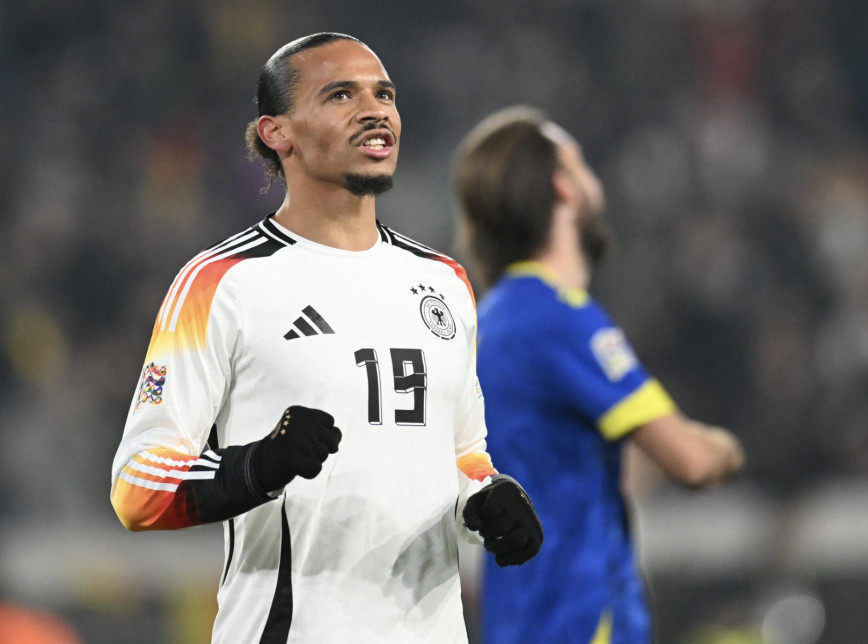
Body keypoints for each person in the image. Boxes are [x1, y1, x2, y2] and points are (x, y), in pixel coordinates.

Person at [109, 33, 542, 643]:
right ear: (276, 133)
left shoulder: (444, 282)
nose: (375, 111)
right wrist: (258, 464)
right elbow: (138, 487)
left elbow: (462, 454)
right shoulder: (221, 283)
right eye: (341, 95)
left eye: (384, 95)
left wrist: (488, 498)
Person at [453, 106, 745, 644]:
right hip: (580, 617)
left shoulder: (489, 322)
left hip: (518, 620)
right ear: (563, 188)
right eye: (580, 163)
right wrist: (728, 448)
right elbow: (692, 460)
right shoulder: (558, 317)